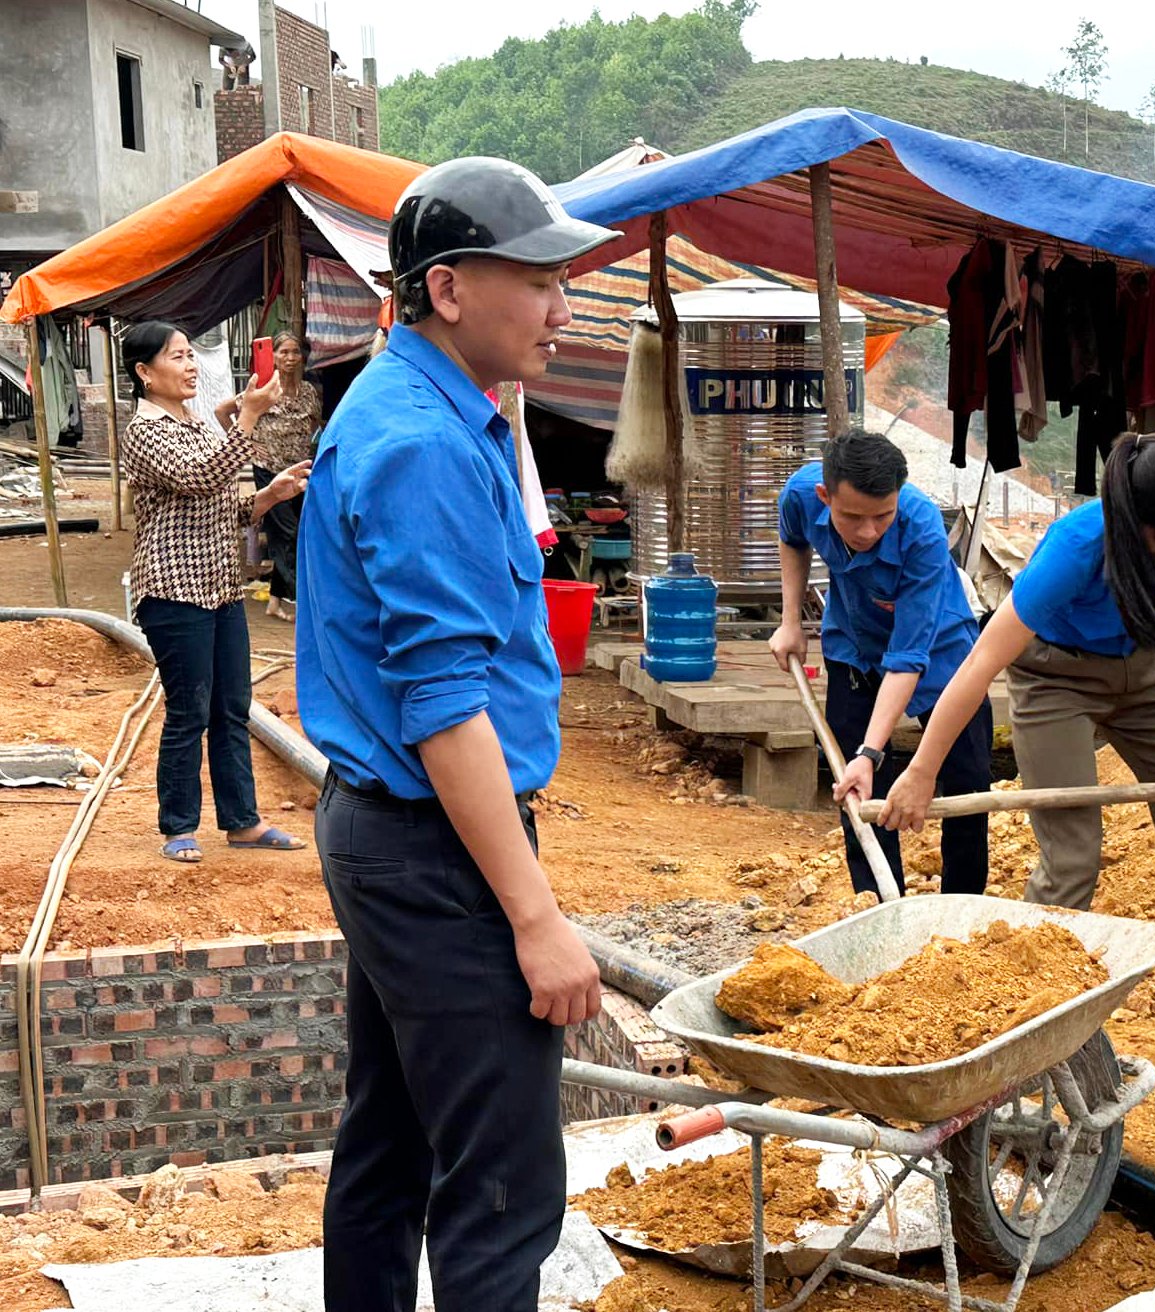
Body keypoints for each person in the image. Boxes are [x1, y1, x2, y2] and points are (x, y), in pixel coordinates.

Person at [294, 157, 622, 1311]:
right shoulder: (423, 443)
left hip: (395, 836)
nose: (561, 305)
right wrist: (536, 917)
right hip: (434, 847)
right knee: (502, 1187)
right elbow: (443, 703)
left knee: (391, 1139)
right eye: (538, 278)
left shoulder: (439, 409)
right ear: (446, 291)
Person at [880, 426, 1155, 1031]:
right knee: (1074, 851)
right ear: (1149, 529)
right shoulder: (1078, 549)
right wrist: (921, 772)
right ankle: (1024, 1016)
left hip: (1147, 671)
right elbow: (982, 662)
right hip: (1056, 679)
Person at [118, 320, 310, 863]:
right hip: (173, 591)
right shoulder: (145, 431)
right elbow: (201, 478)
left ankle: (242, 821)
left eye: (188, 356)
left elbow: (224, 508)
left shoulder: (199, 424)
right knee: (190, 710)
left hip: (221, 586)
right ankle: (178, 825)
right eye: (177, 357)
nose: (189, 366)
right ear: (144, 372)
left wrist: (270, 496)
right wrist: (247, 415)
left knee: (233, 706)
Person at [769, 430, 992, 897]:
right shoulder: (799, 495)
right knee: (855, 790)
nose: (869, 531)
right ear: (825, 496)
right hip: (853, 643)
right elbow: (793, 540)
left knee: (968, 788)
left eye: (882, 516)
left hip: (940, 650)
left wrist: (871, 751)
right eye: (853, 517)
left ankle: (961, 908)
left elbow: (909, 657)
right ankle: (879, 904)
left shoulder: (922, 529)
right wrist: (791, 621)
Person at [215, 330, 320, 620]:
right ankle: (299, 600)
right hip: (269, 470)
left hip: (298, 471)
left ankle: (275, 602)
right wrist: (246, 447)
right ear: (272, 356)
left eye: (294, 352)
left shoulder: (309, 391)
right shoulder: (264, 388)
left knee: (294, 533)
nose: (289, 358)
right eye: (283, 352)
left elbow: (314, 424)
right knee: (286, 533)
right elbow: (222, 411)